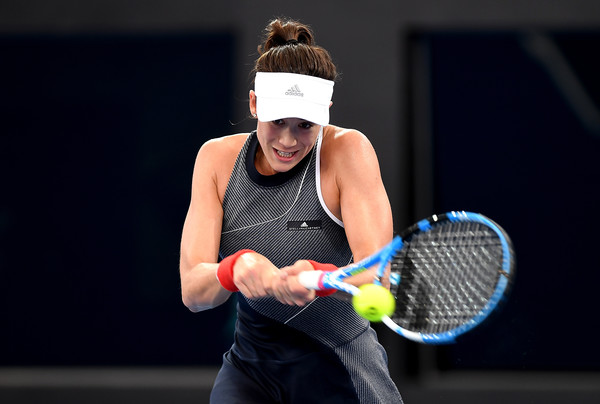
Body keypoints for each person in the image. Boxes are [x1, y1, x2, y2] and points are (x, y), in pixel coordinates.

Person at [179, 17, 403, 403]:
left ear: (327, 112)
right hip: (250, 372)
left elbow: (377, 277)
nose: (287, 140)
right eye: (277, 121)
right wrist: (234, 268)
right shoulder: (214, 159)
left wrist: (319, 276)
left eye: (304, 125)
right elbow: (194, 292)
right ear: (254, 103)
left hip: (340, 370)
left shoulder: (349, 151)